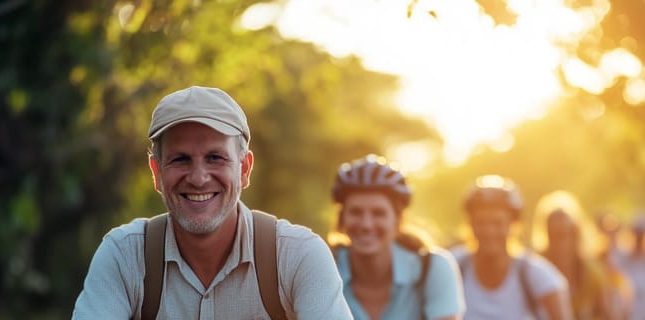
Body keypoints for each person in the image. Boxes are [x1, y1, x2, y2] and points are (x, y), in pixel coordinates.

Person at [72, 86, 352, 319]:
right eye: (180, 159)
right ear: (156, 172)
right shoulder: (125, 256)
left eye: (215, 158)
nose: (198, 177)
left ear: (244, 169)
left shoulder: (298, 256)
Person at [329, 155, 466, 320]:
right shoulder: (322, 270)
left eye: (378, 213)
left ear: (398, 220)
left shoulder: (432, 268)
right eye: (356, 212)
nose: (366, 224)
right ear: (342, 218)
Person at [454, 175, 573, 320]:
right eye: (481, 222)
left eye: (497, 223)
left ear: (514, 225)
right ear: (470, 224)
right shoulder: (453, 267)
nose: (489, 231)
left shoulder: (538, 275)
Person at [533, 192, 620, 320]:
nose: (562, 243)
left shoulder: (593, 273)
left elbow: (609, 314)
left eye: (567, 234)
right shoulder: (535, 271)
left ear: (577, 234)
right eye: (555, 235)